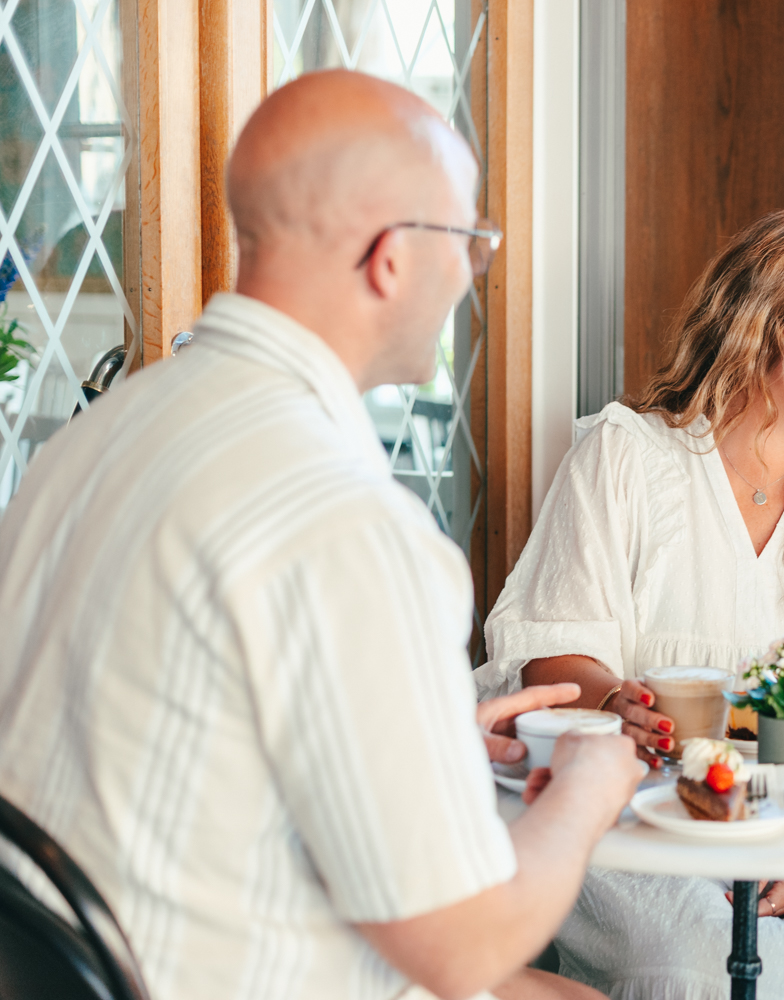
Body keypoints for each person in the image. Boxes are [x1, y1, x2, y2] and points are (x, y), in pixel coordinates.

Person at [0, 70, 641, 1000]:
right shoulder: (351, 528)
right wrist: (590, 788)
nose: (471, 271)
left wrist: (430, 733)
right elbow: (464, 948)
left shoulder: (82, 444)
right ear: (390, 257)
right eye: (470, 240)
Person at [472, 208, 784, 1000]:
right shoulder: (628, 459)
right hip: (646, 807)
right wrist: (615, 698)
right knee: (691, 967)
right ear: (771, 323)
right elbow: (551, 653)